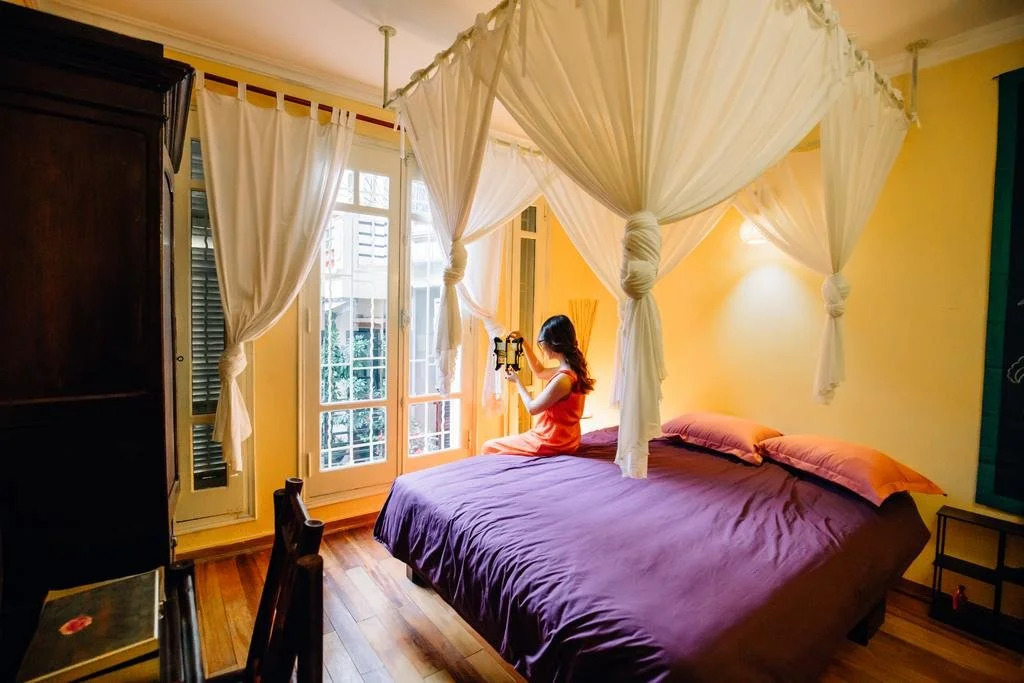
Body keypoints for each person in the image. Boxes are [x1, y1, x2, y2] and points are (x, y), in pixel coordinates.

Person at [481, 314, 595, 456]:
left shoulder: (563, 380)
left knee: (488, 447)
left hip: (552, 441)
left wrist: (517, 381)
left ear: (553, 343)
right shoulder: (572, 370)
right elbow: (540, 371)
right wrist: (524, 344)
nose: (542, 348)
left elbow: (532, 408)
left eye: (542, 343)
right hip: (568, 439)